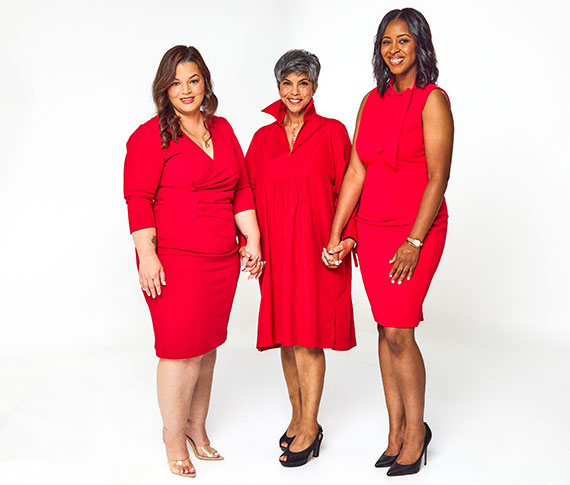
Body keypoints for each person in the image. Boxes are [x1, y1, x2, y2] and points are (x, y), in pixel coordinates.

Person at [324, 8, 454, 477]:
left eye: (403, 40)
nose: (394, 50)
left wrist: (414, 241)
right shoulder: (370, 101)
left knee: (400, 330)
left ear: (420, 44)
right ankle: (396, 430)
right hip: (374, 230)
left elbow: (438, 178)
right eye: (386, 42)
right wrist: (338, 232)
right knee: (384, 329)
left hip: (414, 231)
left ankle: (416, 435)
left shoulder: (433, 100)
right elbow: (357, 170)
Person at [123, 45, 263, 478]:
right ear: (164, 89)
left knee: (206, 349)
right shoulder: (150, 135)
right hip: (174, 260)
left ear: (205, 83)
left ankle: (196, 427)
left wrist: (252, 237)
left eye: (194, 80)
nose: (186, 90)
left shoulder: (222, 129)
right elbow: (138, 198)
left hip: (221, 259)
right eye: (176, 82)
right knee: (180, 352)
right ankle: (171, 437)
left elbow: (239, 188)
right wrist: (147, 256)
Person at [243, 49, 357, 468]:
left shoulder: (332, 133)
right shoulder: (261, 139)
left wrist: (346, 240)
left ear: (314, 88)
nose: (295, 91)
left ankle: (310, 425)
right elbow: (246, 196)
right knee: (286, 338)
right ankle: (297, 414)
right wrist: (248, 242)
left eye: (303, 83)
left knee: (309, 337)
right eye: (287, 83)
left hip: (317, 251)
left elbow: (351, 192)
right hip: (276, 253)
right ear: (278, 87)